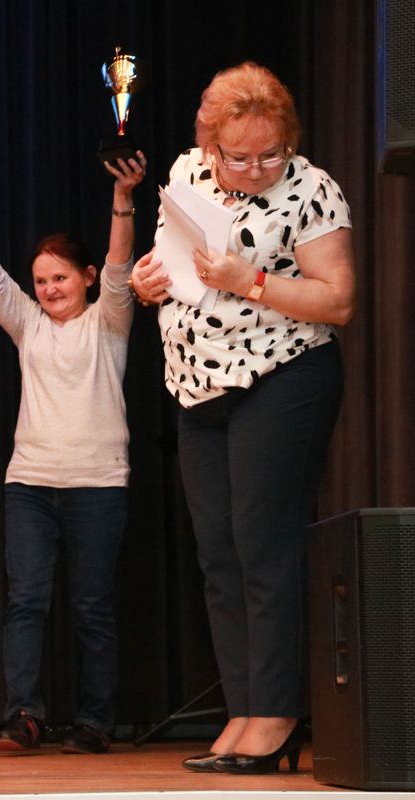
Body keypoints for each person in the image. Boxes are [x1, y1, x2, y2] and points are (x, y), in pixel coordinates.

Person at [129, 62, 353, 774]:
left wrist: (251, 281)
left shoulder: (312, 190)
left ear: (289, 139)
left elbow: (338, 299)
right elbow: (168, 264)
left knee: (265, 546)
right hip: (197, 388)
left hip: (284, 378)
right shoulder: (186, 174)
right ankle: (245, 708)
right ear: (212, 142)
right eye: (239, 156)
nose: (255, 169)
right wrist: (145, 282)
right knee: (220, 555)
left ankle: (279, 715)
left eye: (269, 154)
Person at [0, 151, 146, 754]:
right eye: (42, 281)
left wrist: (123, 199)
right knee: (25, 601)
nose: (50, 289)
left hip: (98, 487)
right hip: (29, 485)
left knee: (92, 606)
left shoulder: (109, 320)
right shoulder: (27, 324)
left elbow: (120, 263)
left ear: (86, 278)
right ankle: (25, 715)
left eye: (61, 278)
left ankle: (95, 721)